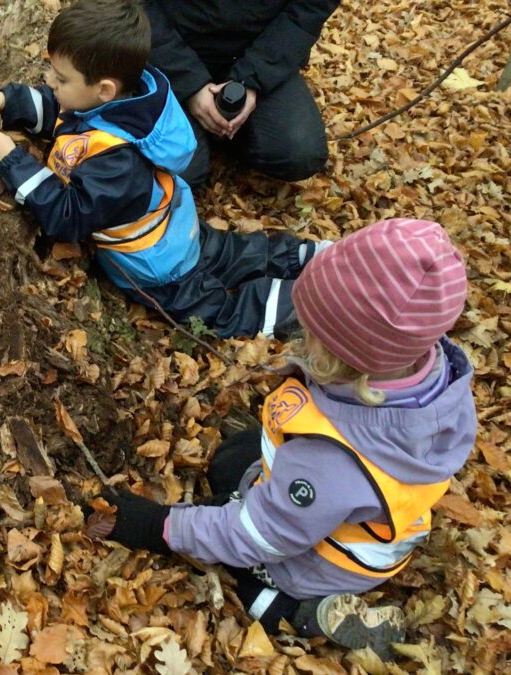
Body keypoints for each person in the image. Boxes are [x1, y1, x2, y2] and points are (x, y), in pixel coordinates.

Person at [94, 219, 475, 658]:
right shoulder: (425, 372)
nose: (300, 332)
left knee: (245, 572)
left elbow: (257, 536)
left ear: (345, 357)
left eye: (312, 328)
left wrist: (159, 526)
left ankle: (304, 613)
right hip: (359, 520)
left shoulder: (327, 464)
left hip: (325, 559)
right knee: (231, 461)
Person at [0, 0, 325, 339]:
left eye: (61, 77)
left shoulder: (116, 160)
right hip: (178, 225)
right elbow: (58, 111)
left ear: (104, 89)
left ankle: (308, 306)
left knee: (219, 312)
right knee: (231, 253)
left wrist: (12, 161)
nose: (51, 82)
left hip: (160, 266)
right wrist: (11, 102)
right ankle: (308, 257)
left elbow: (69, 216)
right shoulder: (124, 101)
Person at [142, 1, 338, 187]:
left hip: (259, 49)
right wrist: (189, 84)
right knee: (177, 171)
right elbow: (134, 7)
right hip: (170, 52)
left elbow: (308, 10)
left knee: (299, 152)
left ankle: (226, 132)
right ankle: (202, 132)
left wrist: (252, 78)